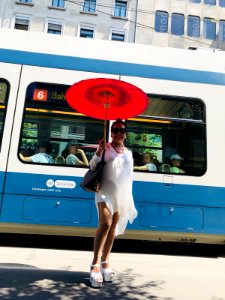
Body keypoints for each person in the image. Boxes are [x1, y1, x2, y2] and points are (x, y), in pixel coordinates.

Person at [89, 119, 137, 288]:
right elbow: (92, 166)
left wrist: (128, 197)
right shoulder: (105, 148)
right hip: (103, 192)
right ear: (111, 132)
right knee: (105, 224)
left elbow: (129, 176)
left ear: (126, 134)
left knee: (113, 228)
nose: (118, 133)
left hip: (121, 195)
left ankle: (105, 262)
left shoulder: (129, 153)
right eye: (115, 130)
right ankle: (94, 264)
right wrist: (99, 152)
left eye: (121, 130)